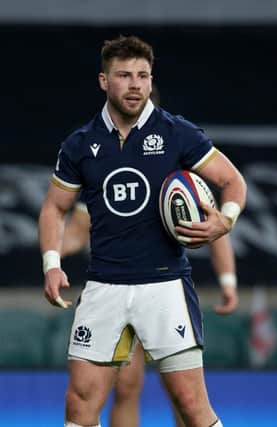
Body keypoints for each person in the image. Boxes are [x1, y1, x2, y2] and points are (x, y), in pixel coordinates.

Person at [39, 35, 247, 427]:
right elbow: (54, 207)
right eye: (124, 76)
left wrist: (227, 218)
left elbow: (233, 181)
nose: (135, 84)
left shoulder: (178, 133)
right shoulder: (79, 145)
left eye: (143, 76)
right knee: (79, 404)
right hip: (104, 286)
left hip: (164, 285)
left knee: (190, 404)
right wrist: (52, 263)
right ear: (104, 81)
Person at [61, 198, 238, 427]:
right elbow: (78, 228)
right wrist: (51, 257)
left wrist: (228, 281)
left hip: (166, 291)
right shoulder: (105, 169)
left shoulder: (174, 170)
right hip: (117, 291)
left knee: (182, 392)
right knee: (126, 385)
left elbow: (213, 225)